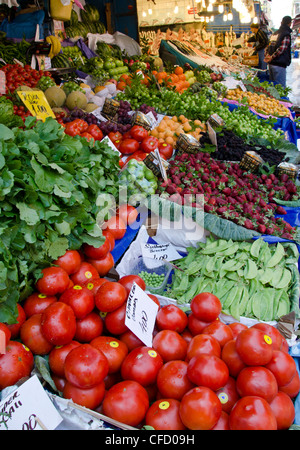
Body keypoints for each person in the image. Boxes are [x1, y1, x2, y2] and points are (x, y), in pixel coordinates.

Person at [264, 16, 293, 88]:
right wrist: (271, 57)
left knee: (272, 87)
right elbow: (282, 49)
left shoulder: (275, 33)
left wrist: (268, 56)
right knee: (280, 88)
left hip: (271, 64)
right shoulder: (286, 34)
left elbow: (268, 46)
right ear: (290, 23)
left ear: (281, 23)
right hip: (279, 64)